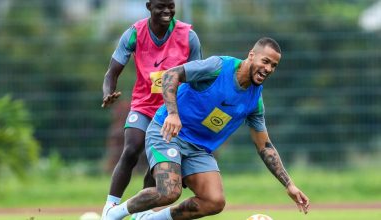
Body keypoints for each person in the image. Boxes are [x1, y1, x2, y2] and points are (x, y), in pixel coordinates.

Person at [104, 37, 310, 220]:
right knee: (169, 192)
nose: (268, 69)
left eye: (274, 65)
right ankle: (114, 214)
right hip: (167, 133)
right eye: (265, 61)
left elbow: (264, 146)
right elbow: (170, 76)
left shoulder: (255, 101)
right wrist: (173, 114)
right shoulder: (218, 67)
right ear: (251, 55)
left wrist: (289, 185)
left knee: (214, 201)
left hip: (199, 149)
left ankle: (150, 219)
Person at [100, 0, 202, 218]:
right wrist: (108, 92)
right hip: (143, 106)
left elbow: (197, 77)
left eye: (171, 5)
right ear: (148, 6)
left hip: (172, 112)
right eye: (161, 6)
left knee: (157, 163)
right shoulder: (134, 34)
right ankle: (110, 207)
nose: (167, 10)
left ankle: (140, 212)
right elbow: (111, 72)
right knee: (132, 149)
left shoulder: (188, 36)